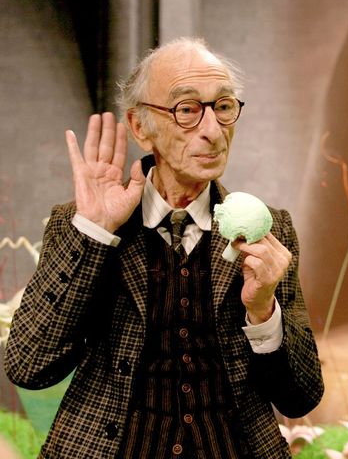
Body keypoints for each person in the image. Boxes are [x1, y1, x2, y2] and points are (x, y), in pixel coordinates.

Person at [4, 37, 324, 458]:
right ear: (141, 127)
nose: (213, 131)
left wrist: (263, 310)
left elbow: (301, 397)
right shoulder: (80, 224)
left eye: (223, 107)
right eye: (187, 110)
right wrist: (95, 232)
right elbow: (29, 365)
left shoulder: (269, 232)